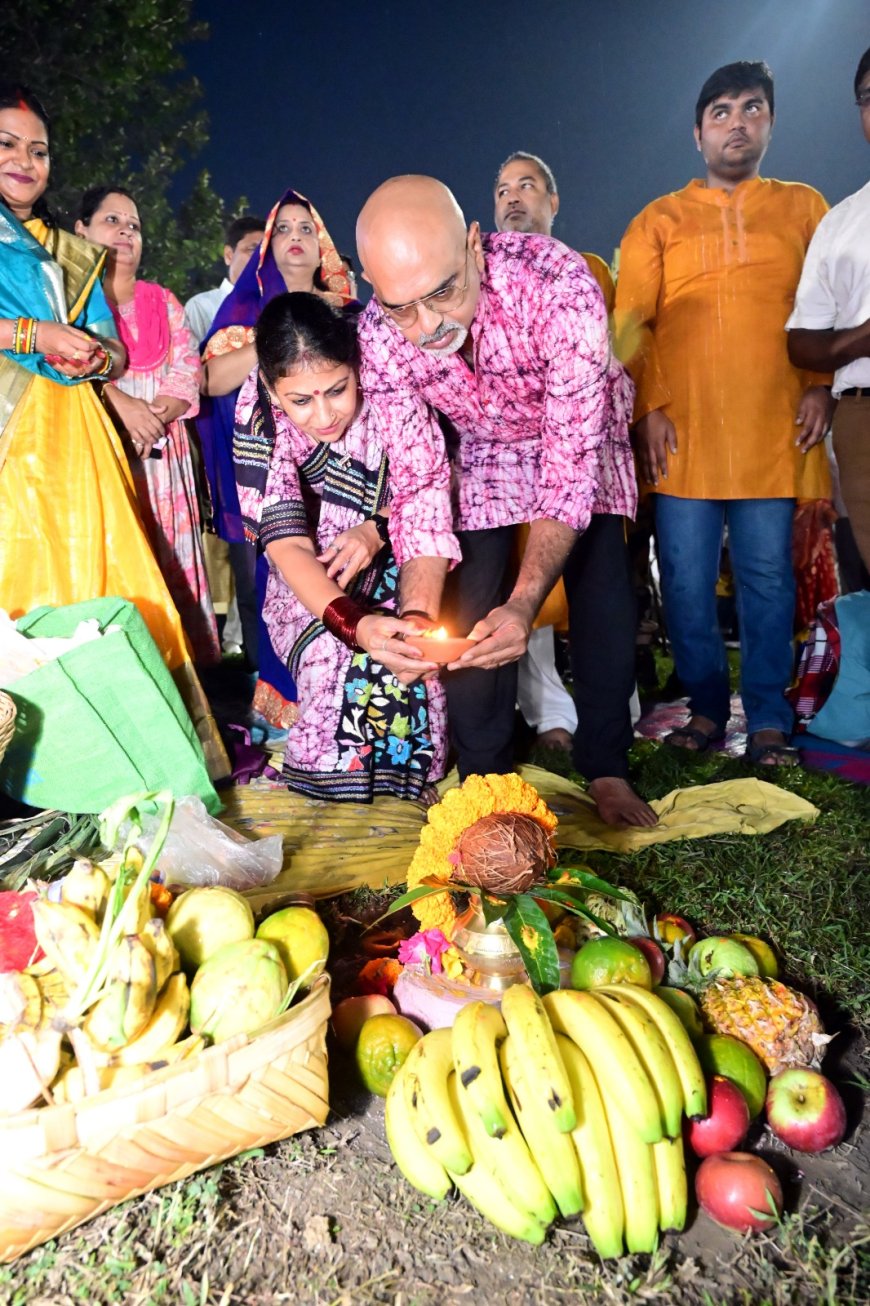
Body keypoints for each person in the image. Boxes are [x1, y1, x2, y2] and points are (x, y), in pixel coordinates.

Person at [355, 175, 655, 827]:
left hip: (578, 429)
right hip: (486, 443)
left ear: (473, 243)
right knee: (465, 610)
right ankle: (485, 774)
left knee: (602, 589)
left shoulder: (557, 283)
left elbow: (569, 464)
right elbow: (419, 481)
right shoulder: (379, 337)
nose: (427, 326)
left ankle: (606, 765)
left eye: (442, 292)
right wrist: (413, 615)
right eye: (401, 306)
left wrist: (526, 605)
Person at [614, 60, 833, 766]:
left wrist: (819, 383)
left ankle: (768, 717)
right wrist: (647, 407)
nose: (737, 123)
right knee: (682, 578)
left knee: (768, 577)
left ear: (769, 122)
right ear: (697, 133)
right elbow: (630, 324)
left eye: (752, 109)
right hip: (685, 430)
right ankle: (708, 707)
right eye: (721, 112)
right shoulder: (659, 219)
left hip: (774, 424)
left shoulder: (804, 207)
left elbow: (827, 304)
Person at [0, 85, 220, 761]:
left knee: (100, 572)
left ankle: (106, 756)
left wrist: (100, 352)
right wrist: (36, 334)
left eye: (39, 150)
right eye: (7, 144)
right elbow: (36, 336)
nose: (26, 160)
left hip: (76, 436)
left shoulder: (71, 251)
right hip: (11, 431)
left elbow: (108, 342)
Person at [234, 291, 446, 799]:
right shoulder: (258, 414)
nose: (325, 415)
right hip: (314, 576)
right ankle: (333, 786)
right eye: (301, 400)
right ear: (270, 385)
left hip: (405, 544)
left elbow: (428, 486)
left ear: (355, 365)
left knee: (413, 657)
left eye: (338, 389)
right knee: (333, 659)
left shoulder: (390, 373)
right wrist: (353, 623)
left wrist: (376, 528)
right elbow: (287, 548)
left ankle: (410, 783)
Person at [197, 188, 351, 732]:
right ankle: (289, 715)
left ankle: (350, 713)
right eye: (282, 229)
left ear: (324, 246)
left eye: (305, 229)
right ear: (267, 244)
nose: (294, 238)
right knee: (274, 590)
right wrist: (277, 330)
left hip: (344, 478)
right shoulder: (245, 314)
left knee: (347, 582)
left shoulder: (351, 312)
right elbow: (211, 380)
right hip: (268, 476)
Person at [494, 149, 619, 753]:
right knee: (526, 590)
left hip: (588, 457)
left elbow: (613, 360)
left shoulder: (587, 271)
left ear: (553, 201)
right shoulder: (479, 276)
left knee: (597, 593)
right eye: (501, 190)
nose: (513, 197)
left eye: (527, 185)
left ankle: (610, 722)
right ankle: (549, 717)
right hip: (510, 469)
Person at [75, 185, 220, 666]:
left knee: (172, 565)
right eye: (111, 221)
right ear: (82, 231)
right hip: (103, 453)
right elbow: (64, 372)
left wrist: (150, 418)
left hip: (164, 459)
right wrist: (123, 414)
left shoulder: (163, 300)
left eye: (133, 225)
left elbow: (186, 367)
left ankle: (189, 681)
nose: (124, 232)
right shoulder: (66, 305)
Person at [787, 45, 870, 576]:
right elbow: (802, 341)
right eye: (868, 98)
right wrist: (861, 338)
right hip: (862, 414)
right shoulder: (841, 222)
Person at [184, 215, 266, 345]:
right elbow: (191, 363)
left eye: (267, 254)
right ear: (229, 255)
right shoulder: (201, 306)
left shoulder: (276, 310)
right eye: (252, 250)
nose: (260, 259)